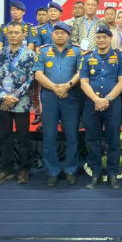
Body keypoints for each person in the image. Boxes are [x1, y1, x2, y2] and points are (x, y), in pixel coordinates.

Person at [32, 22, 82, 187]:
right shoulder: (44, 52)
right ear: (52, 35)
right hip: (50, 97)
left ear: (68, 35)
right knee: (49, 136)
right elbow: (38, 74)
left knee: (72, 136)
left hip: (71, 97)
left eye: (63, 33)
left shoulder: (76, 51)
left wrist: (67, 86)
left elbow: (81, 72)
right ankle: (52, 171)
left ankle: (70, 170)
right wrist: (55, 88)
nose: (59, 35)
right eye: (56, 33)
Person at [0, 21, 37, 185]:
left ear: (23, 35)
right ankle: (6, 169)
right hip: (1, 102)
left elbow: (32, 78)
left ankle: (24, 169)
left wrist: (14, 96)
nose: (14, 35)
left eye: (17, 32)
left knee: (23, 137)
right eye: (11, 32)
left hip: (21, 102)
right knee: (4, 136)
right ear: (6, 35)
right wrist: (4, 96)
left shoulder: (30, 55)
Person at [79, 26, 122, 189]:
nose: (101, 40)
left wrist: (106, 99)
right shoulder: (86, 58)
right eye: (98, 37)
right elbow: (84, 83)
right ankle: (96, 173)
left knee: (113, 139)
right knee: (93, 139)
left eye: (104, 37)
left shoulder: (119, 57)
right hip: (91, 104)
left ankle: (113, 173)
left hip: (112, 104)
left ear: (110, 38)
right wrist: (96, 99)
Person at [31, 2, 65, 126]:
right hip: (46, 63)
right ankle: (42, 115)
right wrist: (42, 62)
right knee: (43, 91)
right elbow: (37, 47)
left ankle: (61, 116)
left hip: (62, 62)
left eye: (55, 11)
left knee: (61, 87)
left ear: (61, 13)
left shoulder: (66, 28)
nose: (52, 13)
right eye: (50, 11)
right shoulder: (41, 29)